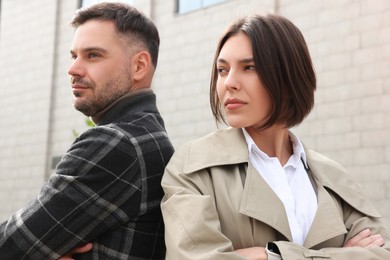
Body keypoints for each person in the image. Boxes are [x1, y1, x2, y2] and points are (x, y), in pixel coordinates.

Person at [161, 14, 390, 259]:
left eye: (249, 67)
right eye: (222, 69)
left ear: (289, 76)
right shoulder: (193, 167)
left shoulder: (333, 177)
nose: (229, 82)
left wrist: (268, 255)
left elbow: (381, 252)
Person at [0, 2, 173, 259]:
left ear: (139, 66)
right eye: (74, 55)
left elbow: (13, 246)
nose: (73, 69)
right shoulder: (147, 135)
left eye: (93, 55)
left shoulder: (117, 142)